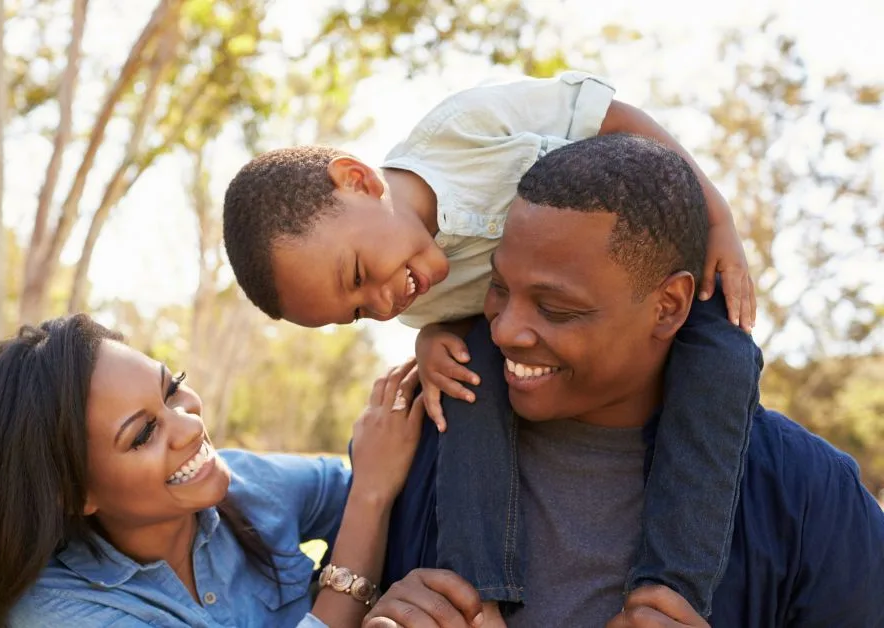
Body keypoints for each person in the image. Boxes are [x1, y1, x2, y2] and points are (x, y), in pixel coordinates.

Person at [221, 72, 759, 618]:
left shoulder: (463, 130)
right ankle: (474, 595)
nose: (383, 306)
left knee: (727, 359)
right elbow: (466, 321)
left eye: (359, 274)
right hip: (545, 342)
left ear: (357, 180)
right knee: (465, 381)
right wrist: (435, 339)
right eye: (359, 312)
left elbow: (614, 116)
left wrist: (718, 220)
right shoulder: (417, 296)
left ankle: (669, 595)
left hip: (647, 276)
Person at [368, 134, 884, 627]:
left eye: (555, 308)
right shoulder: (412, 447)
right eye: (499, 288)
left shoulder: (810, 496)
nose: (503, 331)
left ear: (670, 306)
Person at [0, 314, 457, 627]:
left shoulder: (250, 484)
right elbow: (372, 491)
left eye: (171, 388)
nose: (186, 427)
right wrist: (368, 503)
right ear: (74, 493)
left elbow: (396, 483)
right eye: (142, 434)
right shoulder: (56, 611)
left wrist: (443, 340)